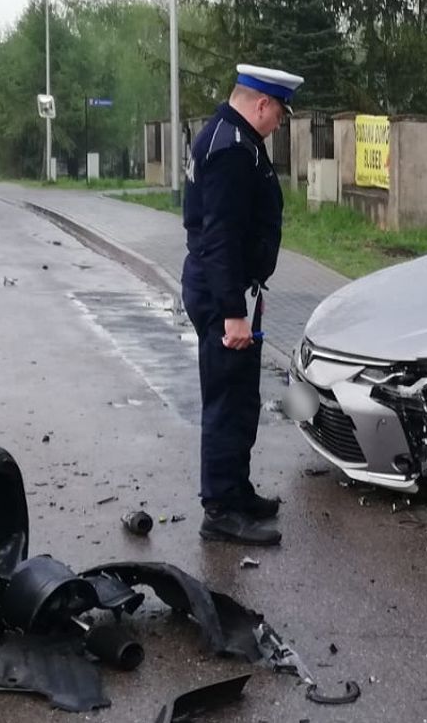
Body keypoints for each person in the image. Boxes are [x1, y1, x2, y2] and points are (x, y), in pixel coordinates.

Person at [181, 64, 303, 546]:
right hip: (222, 294)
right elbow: (220, 237)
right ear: (261, 105)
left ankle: (237, 489)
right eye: (279, 114)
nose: (279, 124)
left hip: (234, 290)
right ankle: (220, 510)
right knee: (227, 403)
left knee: (241, 398)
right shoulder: (232, 150)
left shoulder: (230, 137)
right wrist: (233, 311)